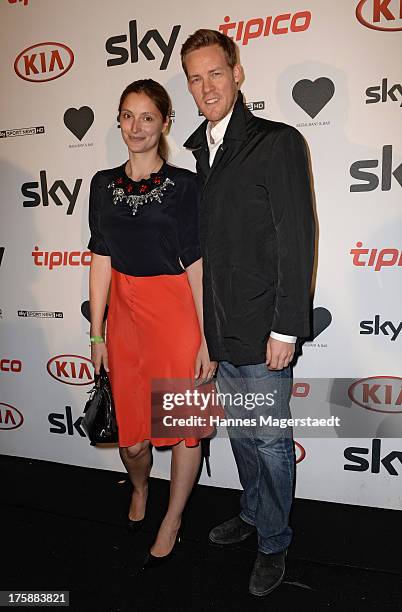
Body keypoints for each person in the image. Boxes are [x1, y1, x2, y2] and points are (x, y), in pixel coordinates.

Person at [181, 30, 315, 596]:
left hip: (265, 331)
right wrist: (204, 335)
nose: (206, 86)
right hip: (222, 332)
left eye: (215, 73)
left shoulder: (276, 141)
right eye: (194, 77)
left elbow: (297, 238)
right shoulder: (197, 154)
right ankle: (255, 514)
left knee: (269, 442)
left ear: (238, 74)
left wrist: (286, 327)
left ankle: (275, 541)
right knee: (241, 436)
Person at [87, 79, 217, 568]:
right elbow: (100, 258)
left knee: (184, 427)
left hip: (177, 315)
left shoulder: (186, 185)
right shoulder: (102, 183)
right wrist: (96, 332)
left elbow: (197, 264)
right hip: (125, 316)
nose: (136, 127)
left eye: (147, 117)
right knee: (134, 436)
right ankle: (139, 487)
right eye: (127, 116)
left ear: (166, 122)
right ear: (118, 121)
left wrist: (208, 336)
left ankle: (173, 518)